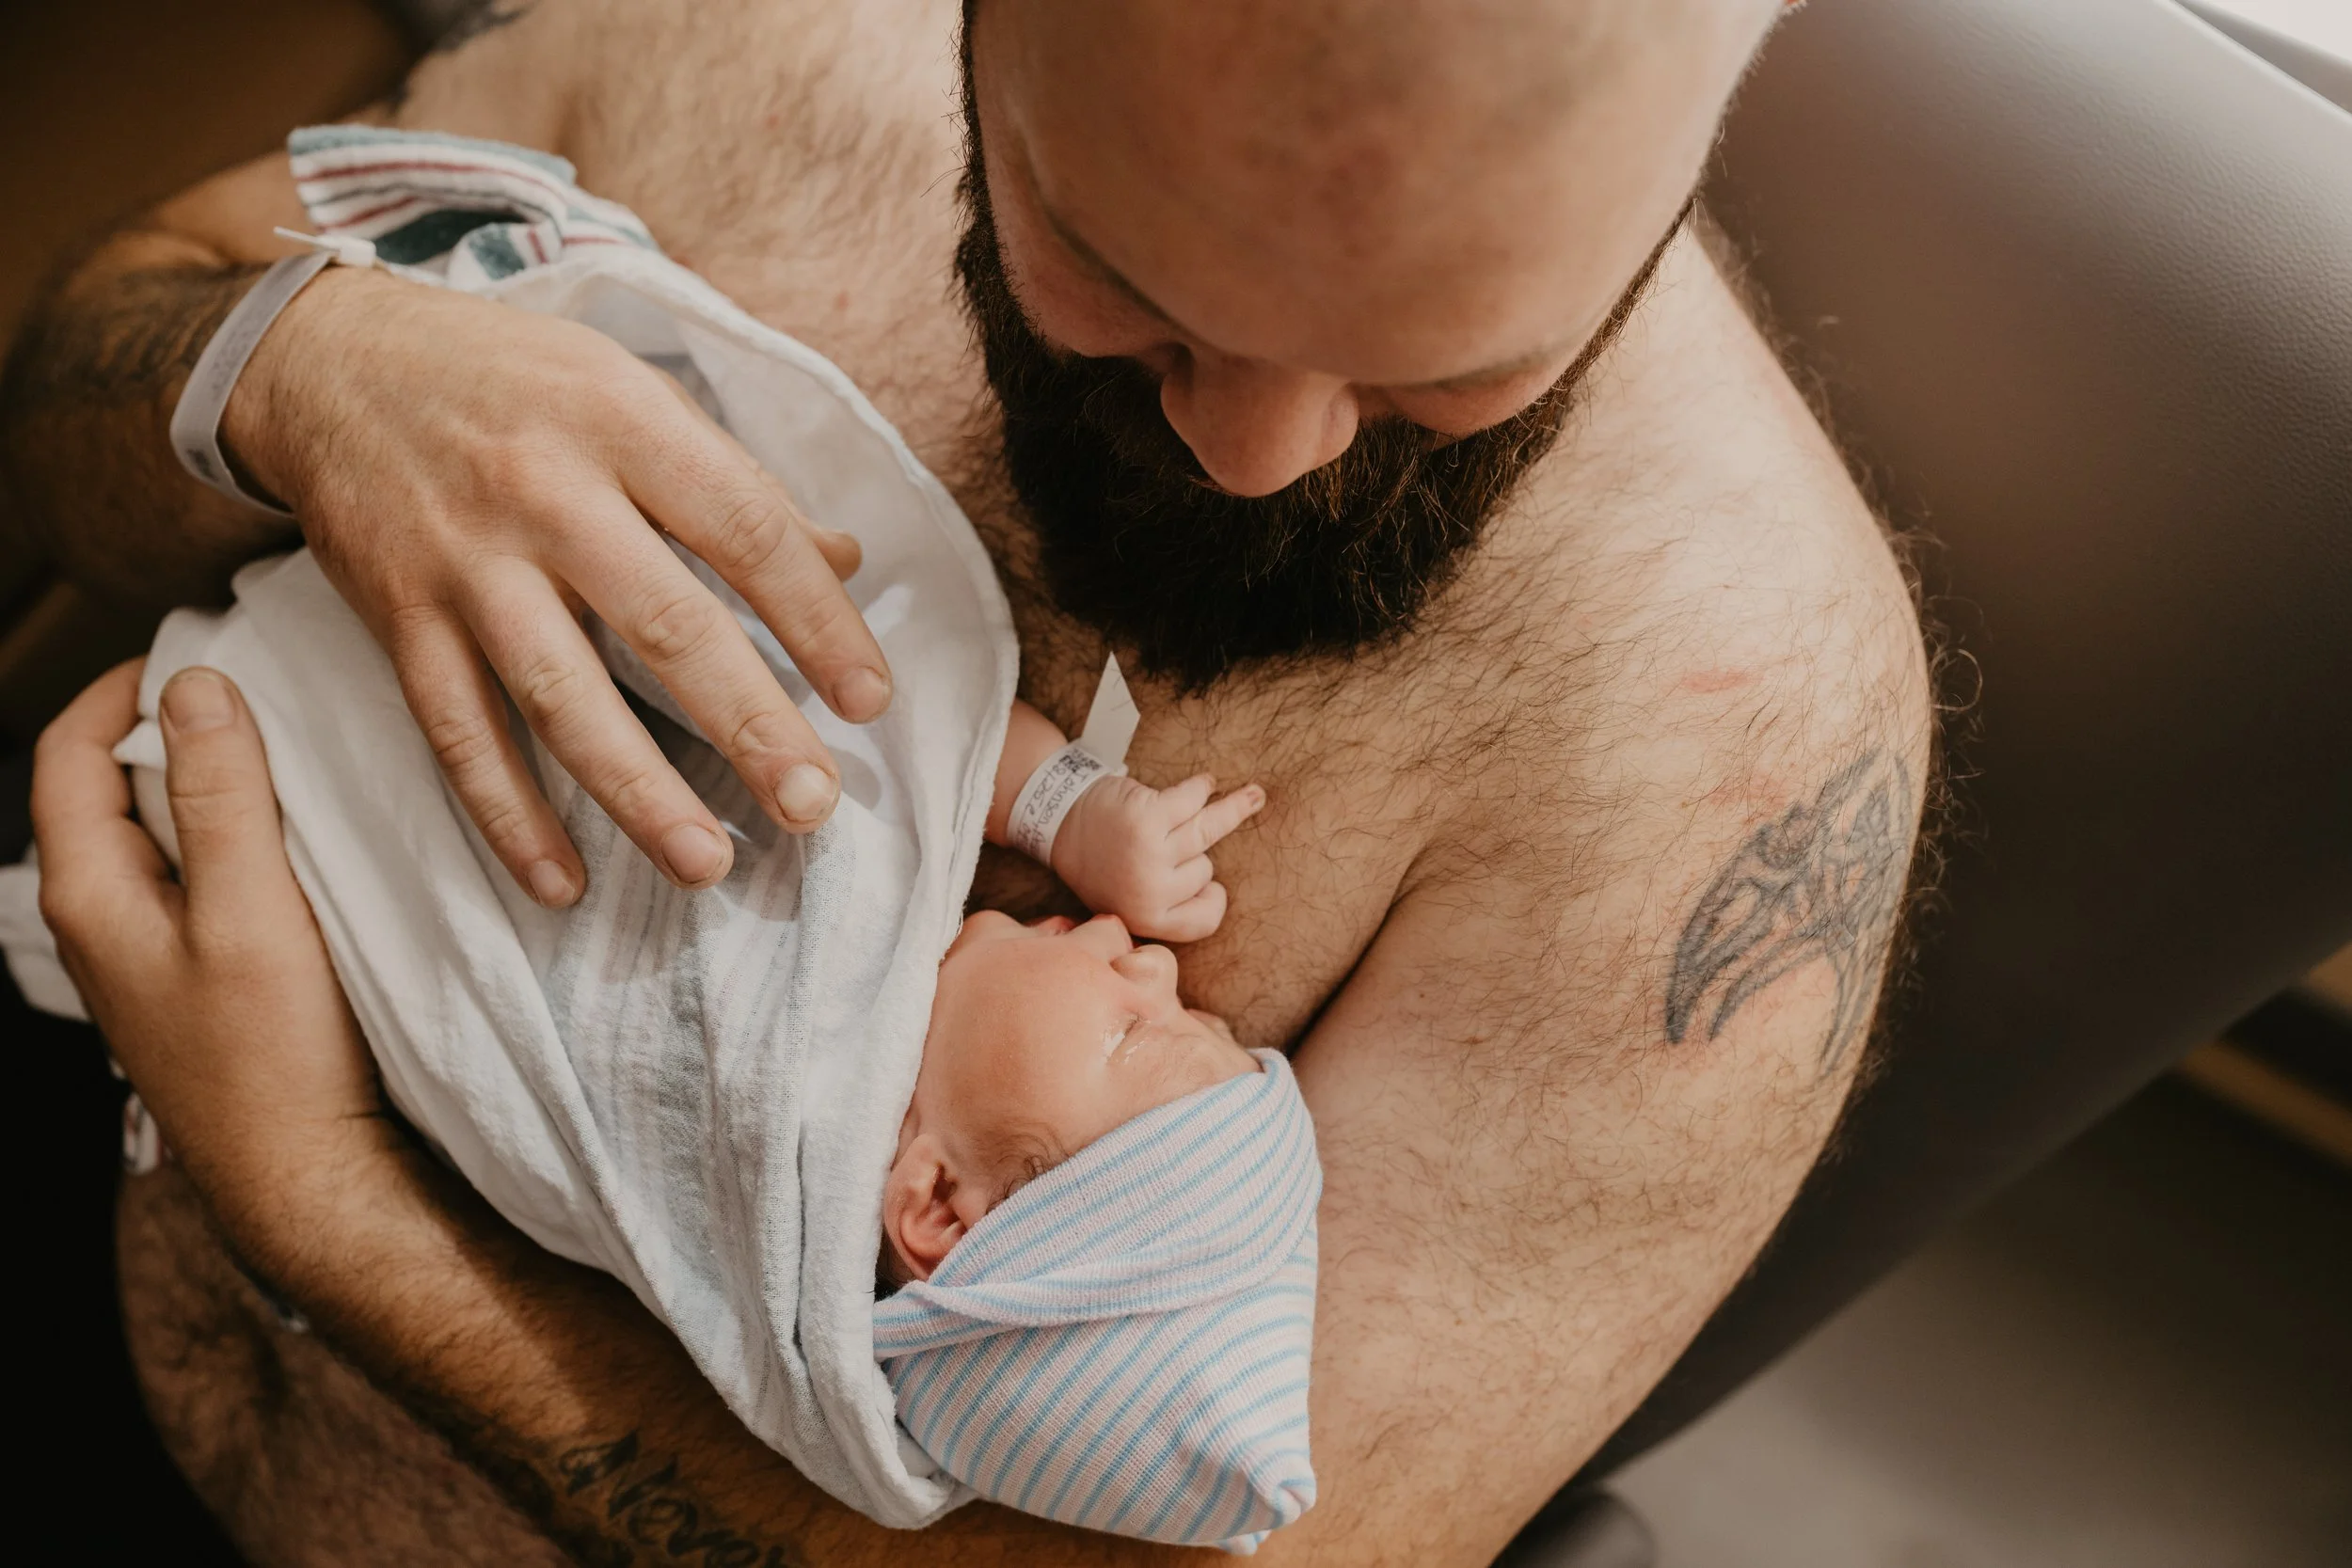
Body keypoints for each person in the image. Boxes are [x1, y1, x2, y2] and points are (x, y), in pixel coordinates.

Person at [7, 0, 1932, 1561]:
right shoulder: (748, 48)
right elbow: (75, 408)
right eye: (1112, 267)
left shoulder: (1718, 743)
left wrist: (329, 1206)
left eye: (1448, 367)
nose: (1253, 453)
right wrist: (291, 372)